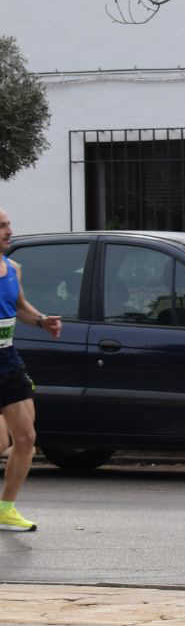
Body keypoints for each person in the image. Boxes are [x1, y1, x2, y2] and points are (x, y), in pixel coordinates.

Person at [0, 208, 63, 532]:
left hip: (7, 358)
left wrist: (41, 321)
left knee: (26, 438)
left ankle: (5, 510)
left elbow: (20, 307)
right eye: (1, 226)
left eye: (9, 224)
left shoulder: (13, 269)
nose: (9, 231)